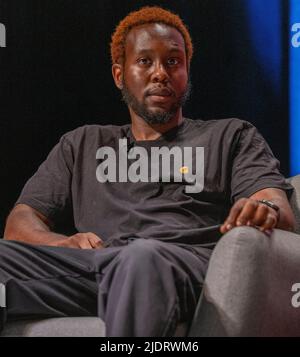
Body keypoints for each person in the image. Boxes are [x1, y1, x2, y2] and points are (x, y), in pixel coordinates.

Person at [0, 6, 296, 337]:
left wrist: (263, 209)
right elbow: (20, 222)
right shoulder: (81, 143)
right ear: (119, 74)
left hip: (177, 268)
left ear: (186, 70)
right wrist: (61, 243)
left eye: (173, 61)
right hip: (93, 268)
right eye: (145, 61)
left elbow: (275, 205)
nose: (160, 73)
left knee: (141, 258)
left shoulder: (230, 135)